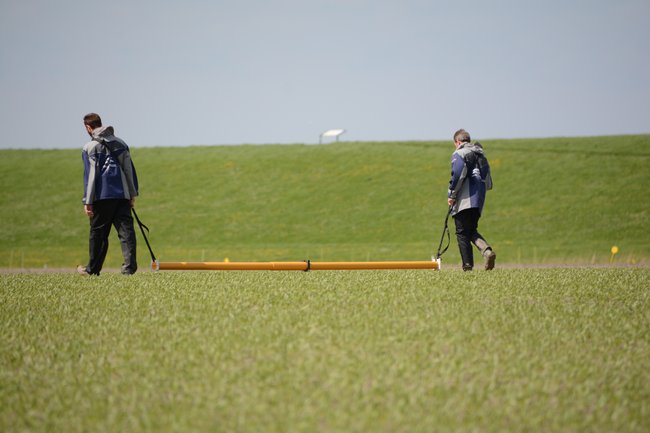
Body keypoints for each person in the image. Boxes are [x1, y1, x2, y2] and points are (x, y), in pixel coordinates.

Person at [77, 113, 139, 275]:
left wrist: (87, 201)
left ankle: (92, 270)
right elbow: (128, 170)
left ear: (88, 128)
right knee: (127, 234)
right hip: (122, 196)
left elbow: (91, 176)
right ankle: (129, 269)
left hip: (101, 197)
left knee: (98, 235)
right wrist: (132, 194)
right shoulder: (121, 143)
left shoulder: (89, 147)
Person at [447, 129, 496, 271]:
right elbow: (488, 182)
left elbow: (457, 175)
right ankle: (486, 251)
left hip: (464, 200)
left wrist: (452, 194)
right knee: (470, 230)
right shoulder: (481, 154)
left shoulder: (459, 154)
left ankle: (467, 267)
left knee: (461, 232)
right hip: (478, 200)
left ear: (457, 142)